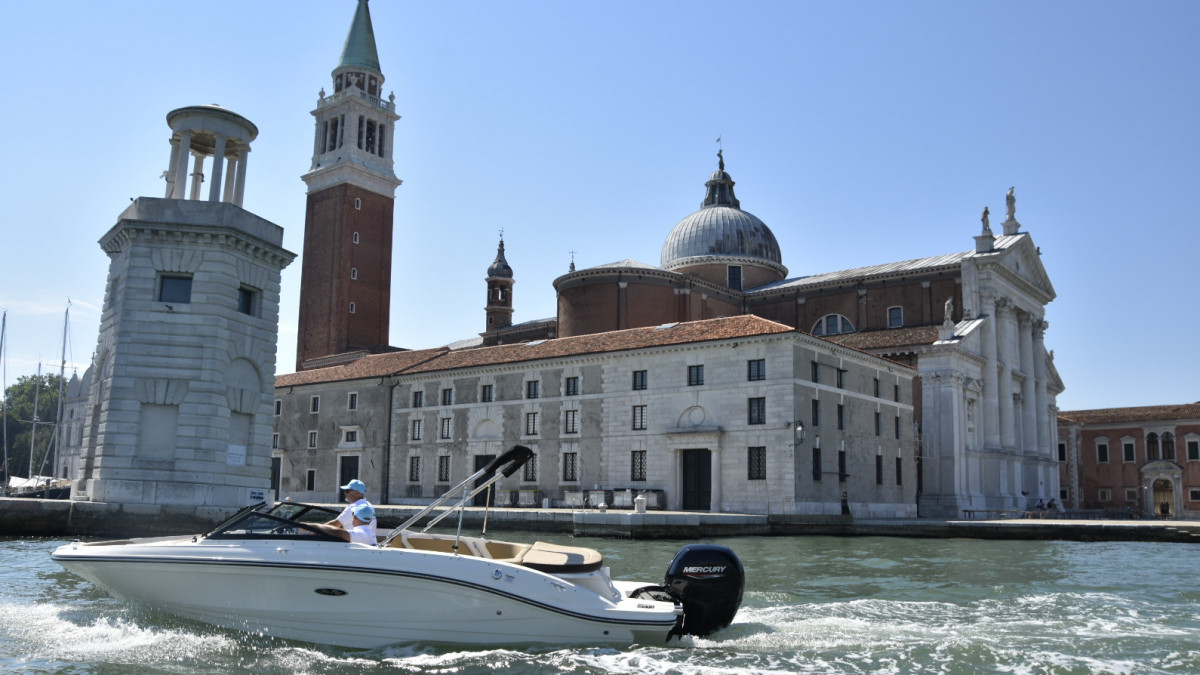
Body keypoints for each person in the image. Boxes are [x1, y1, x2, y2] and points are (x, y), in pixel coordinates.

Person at [310, 503, 377, 545]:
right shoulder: (370, 533)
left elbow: (338, 533)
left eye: (353, 514)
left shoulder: (361, 534)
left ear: (355, 517)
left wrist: (314, 526)